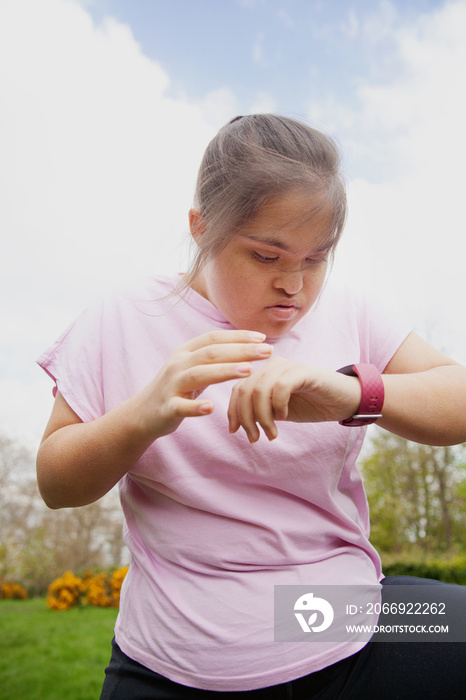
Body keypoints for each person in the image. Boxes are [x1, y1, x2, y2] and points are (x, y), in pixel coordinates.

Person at [36, 114, 466, 699]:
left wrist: (353, 393)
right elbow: (56, 484)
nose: (294, 284)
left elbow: (458, 400)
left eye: (317, 258)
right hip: (181, 651)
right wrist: (142, 416)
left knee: (448, 622)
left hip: (332, 614)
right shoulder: (124, 318)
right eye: (267, 257)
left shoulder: (350, 310)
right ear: (201, 227)